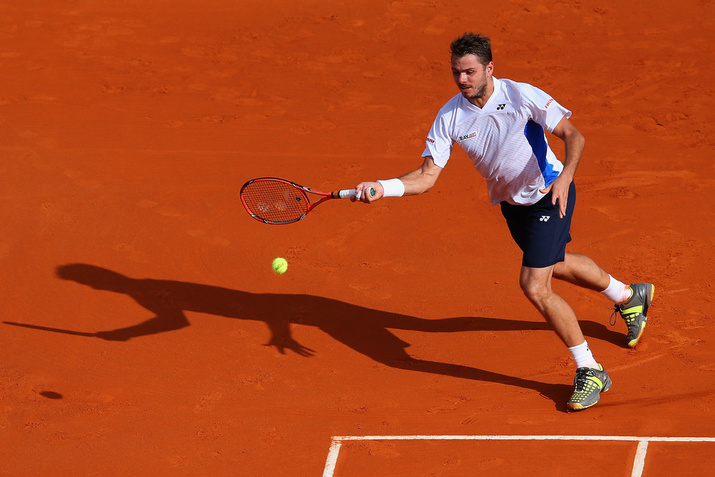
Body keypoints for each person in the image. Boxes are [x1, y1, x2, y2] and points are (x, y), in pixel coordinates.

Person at [355, 33, 655, 411]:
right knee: (554, 264)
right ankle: (629, 296)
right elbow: (427, 175)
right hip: (513, 205)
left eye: (469, 72)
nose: (462, 80)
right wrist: (384, 187)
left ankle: (589, 369)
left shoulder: (519, 95)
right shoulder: (450, 115)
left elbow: (573, 136)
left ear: (489, 68)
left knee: (534, 284)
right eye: (456, 73)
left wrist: (565, 177)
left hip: (551, 192)